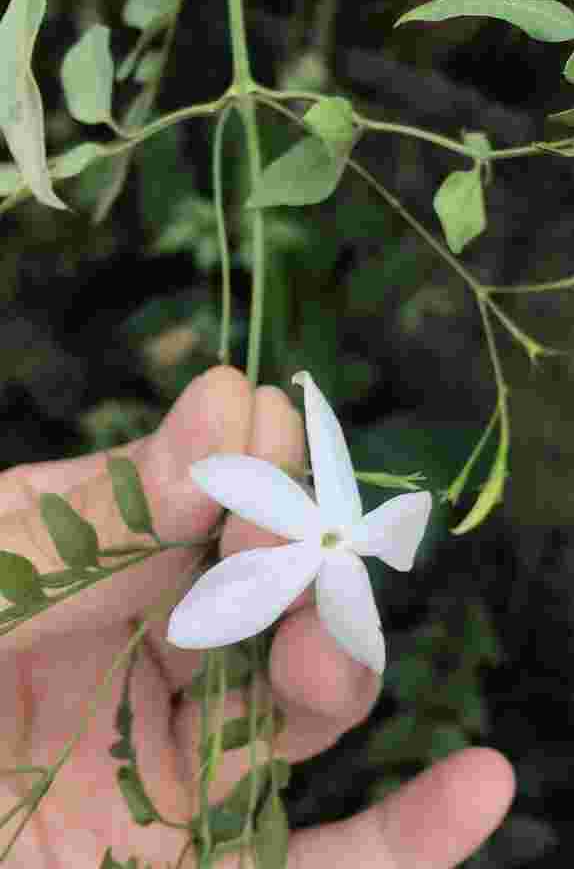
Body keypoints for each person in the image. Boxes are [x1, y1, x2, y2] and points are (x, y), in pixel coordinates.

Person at [0, 366, 515, 867]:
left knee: (319, 661)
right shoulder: (274, 509)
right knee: (313, 659)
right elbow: (215, 479)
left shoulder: (346, 560)